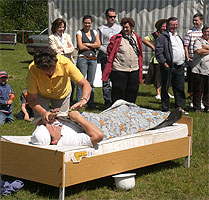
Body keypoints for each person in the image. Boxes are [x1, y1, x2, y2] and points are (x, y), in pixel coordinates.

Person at [30, 100, 182, 146]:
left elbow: (42, 122)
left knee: (123, 108)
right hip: (106, 126)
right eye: (50, 128)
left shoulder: (52, 129)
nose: (51, 124)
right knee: (130, 120)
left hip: (96, 118)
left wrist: (54, 114)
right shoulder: (68, 140)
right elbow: (98, 135)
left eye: (46, 125)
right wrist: (78, 119)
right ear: (54, 141)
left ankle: (159, 117)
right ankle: (162, 120)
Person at [27, 47, 92, 124]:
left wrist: (83, 100)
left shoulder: (65, 63)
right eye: (46, 71)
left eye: (52, 69)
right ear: (39, 67)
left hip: (62, 94)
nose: (50, 72)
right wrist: (43, 113)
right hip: (41, 95)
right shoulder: (33, 68)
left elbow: (85, 84)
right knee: (42, 121)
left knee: (62, 122)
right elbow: (32, 99)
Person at [102, 17, 143, 104]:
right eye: (123, 27)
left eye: (127, 27)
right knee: (118, 92)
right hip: (119, 70)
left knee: (132, 91)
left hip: (134, 69)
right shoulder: (116, 38)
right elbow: (109, 51)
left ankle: (130, 110)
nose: (125, 29)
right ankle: (117, 111)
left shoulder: (136, 38)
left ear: (131, 27)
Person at [155, 17, 187, 112]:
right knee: (165, 88)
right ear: (168, 25)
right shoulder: (162, 37)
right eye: (172, 25)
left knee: (180, 88)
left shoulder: (178, 36)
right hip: (169, 67)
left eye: (176, 24)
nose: (174, 27)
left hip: (179, 67)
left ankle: (180, 108)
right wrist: (164, 63)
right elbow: (159, 52)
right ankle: (165, 109)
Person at [143, 19, 175, 100]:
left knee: (167, 77)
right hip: (157, 60)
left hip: (167, 59)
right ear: (159, 27)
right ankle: (158, 93)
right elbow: (144, 39)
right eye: (163, 26)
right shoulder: (155, 35)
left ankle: (166, 92)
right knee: (158, 77)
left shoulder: (169, 34)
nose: (164, 28)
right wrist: (153, 47)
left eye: (166, 26)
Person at [97, 8, 121, 108]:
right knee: (106, 80)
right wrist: (107, 51)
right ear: (106, 17)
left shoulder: (119, 28)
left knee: (116, 80)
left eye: (114, 17)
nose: (112, 18)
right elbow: (98, 44)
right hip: (106, 56)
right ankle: (107, 102)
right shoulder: (101, 28)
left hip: (117, 57)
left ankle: (116, 101)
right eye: (110, 17)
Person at [49, 18, 76, 104]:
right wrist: (65, 48)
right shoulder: (52, 37)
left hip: (69, 62)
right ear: (55, 27)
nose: (61, 29)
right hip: (59, 63)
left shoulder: (67, 36)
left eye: (63, 27)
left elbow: (72, 48)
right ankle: (60, 101)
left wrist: (62, 49)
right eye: (59, 27)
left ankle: (70, 101)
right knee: (62, 82)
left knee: (72, 83)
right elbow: (54, 50)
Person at [76, 15, 101, 108]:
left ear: (91, 23)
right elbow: (80, 46)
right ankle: (79, 101)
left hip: (93, 59)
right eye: (85, 23)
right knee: (81, 81)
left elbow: (98, 44)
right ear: (83, 23)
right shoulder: (79, 32)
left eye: (89, 23)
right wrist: (93, 45)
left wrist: (87, 44)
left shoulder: (94, 32)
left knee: (91, 82)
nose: (87, 25)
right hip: (83, 58)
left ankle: (91, 102)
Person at [184, 13, 204, 109]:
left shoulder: (205, 32)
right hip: (193, 61)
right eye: (194, 20)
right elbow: (186, 46)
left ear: (201, 21)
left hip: (204, 61)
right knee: (193, 82)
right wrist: (188, 57)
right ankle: (192, 101)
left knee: (203, 82)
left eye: (196, 20)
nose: (195, 22)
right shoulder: (190, 32)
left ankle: (201, 101)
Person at [191, 24, 209, 113]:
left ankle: (207, 106)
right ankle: (197, 107)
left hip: (208, 70)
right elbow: (198, 51)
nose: (207, 33)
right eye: (205, 31)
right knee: (198, 90)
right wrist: (203, 49)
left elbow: (202, 50)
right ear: (202, 32)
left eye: (208, 32)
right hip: (199, 69)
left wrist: (206, 48)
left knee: (207, 90)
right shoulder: (198, 41)